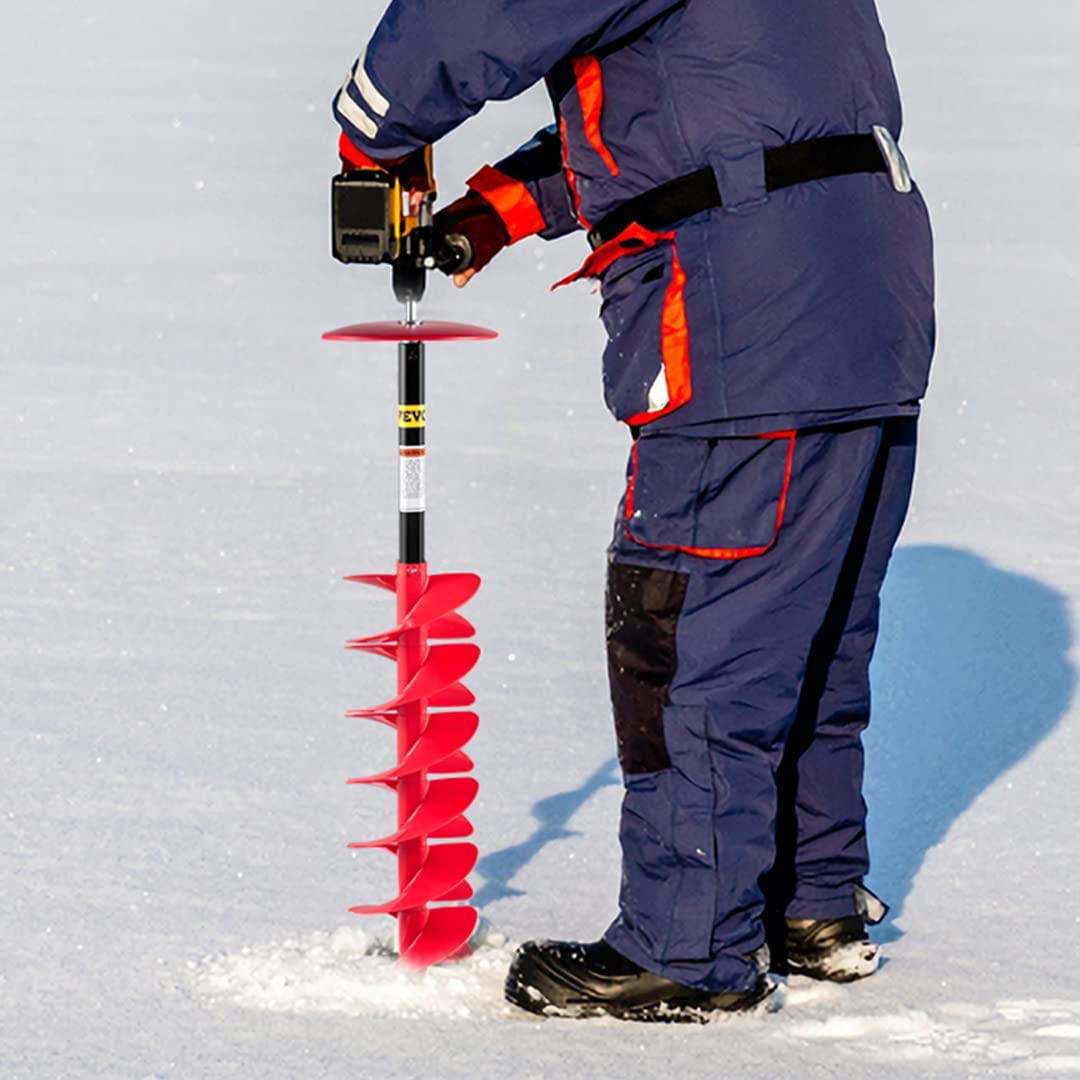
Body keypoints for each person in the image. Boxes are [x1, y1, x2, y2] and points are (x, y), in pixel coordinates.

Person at [333, 0, 935, 1022]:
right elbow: (695, 116)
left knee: (689, 626)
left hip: (744, 316)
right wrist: (495, 212)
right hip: (865, 295)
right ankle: (807, 898)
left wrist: (371, 129)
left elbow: (469, 18)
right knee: (809, 625)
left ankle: (687, 944)